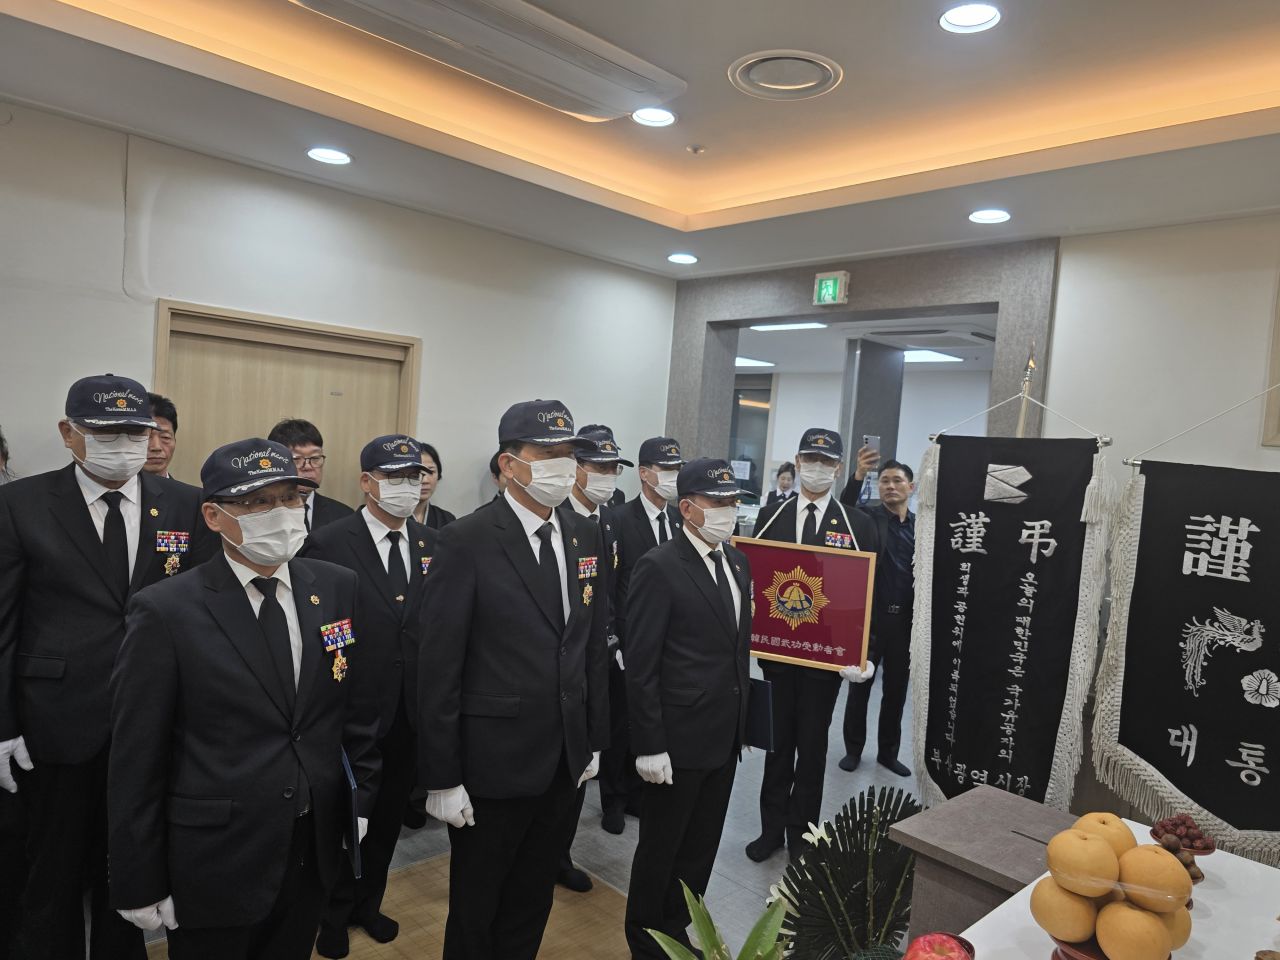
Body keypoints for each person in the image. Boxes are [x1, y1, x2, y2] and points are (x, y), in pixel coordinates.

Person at [108, 438, 379, 958]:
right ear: (213, 516)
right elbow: (136, 757)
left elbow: (356, 708)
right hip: (216, 855)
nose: (279, 513)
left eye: (289, 498)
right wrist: (138, 875)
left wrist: (357, 800)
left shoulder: (335, 586)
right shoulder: (166, 610)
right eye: (256, 502)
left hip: (312, 843)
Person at [0, 374, 215, 959]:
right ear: (69, 433)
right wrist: (4, 723)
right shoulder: (20, 505)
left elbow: (200, 612)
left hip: (155, 719)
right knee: (53, 870)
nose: (125, 446)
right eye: (107, 433)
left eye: (136, 433)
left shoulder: (187, 504)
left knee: (133, 866)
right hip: (57, 720)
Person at [418, 400, 609, 960]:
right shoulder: (467, 540)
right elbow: (439, 666)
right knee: (477, 906)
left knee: (532, 899)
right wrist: (442, 777)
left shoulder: (584, 534)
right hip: (493, 762)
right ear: (509, 464)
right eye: (548, 454)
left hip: (564, 758)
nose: (563, 466)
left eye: (569, 454)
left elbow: (590, 645)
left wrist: (593, 737)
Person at [307, 436, 438, 957]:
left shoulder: (431, 543)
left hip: (409, 711)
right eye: (395, 477)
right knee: (346, 819)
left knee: (386, 820)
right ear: (367, 482)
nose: (408, 486)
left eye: (415, 476)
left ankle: (369, 903)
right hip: (351, 710)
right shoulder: (330, 542)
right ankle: (331, 914)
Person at [623, 458, 752, 960]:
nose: (728, 511)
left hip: (723, 735)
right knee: (661, 848)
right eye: (717, 502)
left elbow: (735, 649)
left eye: (733, 502)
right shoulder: (659, 566)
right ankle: (645, 939)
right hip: (676, 739)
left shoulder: (736, 563)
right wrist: (649, 744)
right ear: (688, 508)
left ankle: (677, 928)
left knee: (700, 848)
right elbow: (642, 663)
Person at [744, 429, 879, 864]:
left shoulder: (857, 525)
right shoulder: (770, 516)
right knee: (778, 745)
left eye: (827, 461)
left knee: (813, 747)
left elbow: (868, 594)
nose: (817, 467)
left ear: (838, 469)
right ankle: (770, 830)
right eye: (810, 459)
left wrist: (865, 652)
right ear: (798, 462)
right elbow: (754, 581)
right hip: (780, 656)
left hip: (826, 661)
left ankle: (802, 833)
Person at [555, 424, 629, 893]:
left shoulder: (610, 518)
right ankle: (545, 853)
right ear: (575, 468)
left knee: (584, 763)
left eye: (612, 468)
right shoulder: (557, 516)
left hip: (600, 659)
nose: (606, 476)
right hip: (563, 662)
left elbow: (613, 590)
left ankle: (559, 853)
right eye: (598, 467)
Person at [603, 436, 685, 835]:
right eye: (666, 470)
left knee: (651, 720)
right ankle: (613, 799)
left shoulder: (680, 521)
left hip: (669, 641)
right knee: (622, 722)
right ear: (645, 473)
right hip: (629, 639)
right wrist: (614, 639)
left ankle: (637, 792)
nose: (672, 477)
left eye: (677, 470)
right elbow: (609, 585)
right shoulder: (619, 519)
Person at [839, 458, 917, 777]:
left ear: (911, 487)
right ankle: (853, 750)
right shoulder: (868, 519)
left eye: (897, 480)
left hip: (905, 624)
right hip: (870, 621)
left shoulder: (922, 528)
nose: (890, 486)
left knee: (896, 693)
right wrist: (859, 475)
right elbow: (844, 510)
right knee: (860, 689)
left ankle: (888, 753)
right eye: (885, 480)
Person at [268, 418, 354, 531]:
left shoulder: (344, 516)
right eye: (296, 459)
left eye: (315, 458)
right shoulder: (260, 513)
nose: (308, 467)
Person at [413, 441, 457, 530]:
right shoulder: (391, 519)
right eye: (416, 473)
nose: (425, 480)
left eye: (431, 471)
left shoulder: (447, 519)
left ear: (438, 475)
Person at [145, 392, 179, 478]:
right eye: (146, 437)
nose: (156, 447)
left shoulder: (184, 488)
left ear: (174, 441)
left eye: (165, 437)